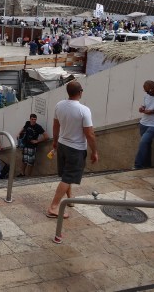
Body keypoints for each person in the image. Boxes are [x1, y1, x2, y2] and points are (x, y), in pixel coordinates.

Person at [47, 81, 98, 219]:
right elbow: (90, 134)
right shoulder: (84, 110)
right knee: (68, 177)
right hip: (76, 149)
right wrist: (94, 151)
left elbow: (55, 125)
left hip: (62, 145)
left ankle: (69, 198)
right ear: (80, 92)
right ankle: (53, 207)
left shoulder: (59, 105)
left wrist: (55, 142)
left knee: (66, 174)